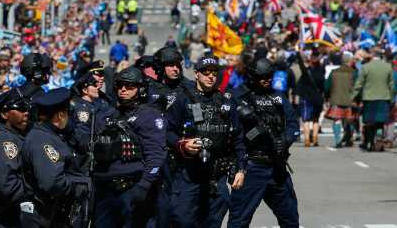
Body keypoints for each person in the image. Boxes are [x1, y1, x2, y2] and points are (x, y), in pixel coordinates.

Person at [166, 56, 247, 228]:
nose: (210, 76)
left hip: (217, 175)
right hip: (189, 174)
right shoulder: (183, 99)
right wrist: (183, 144)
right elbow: (167, 131)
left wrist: (241, 169)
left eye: (214, 73)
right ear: (196, 74)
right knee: (182, 220)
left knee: (212, 222)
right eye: (205, 72)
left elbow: (238, 138)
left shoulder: (226, 101)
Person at [228, 58, 300, 227]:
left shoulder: (278, 97)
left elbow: (293, 124)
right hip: (251, 166)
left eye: (270, 76)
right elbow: (231, 131)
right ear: (252, 76)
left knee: (290, 218)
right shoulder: (237, 97)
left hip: (277, 165)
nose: (267, 79)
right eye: (263, 76)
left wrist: (286, 140)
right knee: (239, 220)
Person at [93, 67, 166, 227]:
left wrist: (143, 186)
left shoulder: (148, 116)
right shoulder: (107, 115)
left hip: (131, 189)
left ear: (140, 89)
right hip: (104, 191)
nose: (123, 90)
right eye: (120, 86)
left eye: (129, 86)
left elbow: (156, 156)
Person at [20, 88, 90, 227]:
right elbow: (52, 182)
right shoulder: (42, 140)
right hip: (49, 215)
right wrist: (76, 187)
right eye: (68, 114)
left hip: (58, 213)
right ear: (60, 115)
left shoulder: (51, 134)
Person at [0, 88, 30, 228]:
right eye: (20, 108)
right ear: (4, 114)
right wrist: (33, 195)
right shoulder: (5, 142)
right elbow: (6, 184)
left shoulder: (17, 136)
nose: (26, 112)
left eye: (26, 107)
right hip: (11, 214)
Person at [352, 48, 394, 151]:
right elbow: (391, 86)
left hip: (369, 98)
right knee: (380, 121)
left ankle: (370, 142)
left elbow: (359, 84)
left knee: (369, 122)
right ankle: (379, 138)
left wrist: (353, 97)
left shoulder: (366, 67)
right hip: (384, 98)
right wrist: (391, 99)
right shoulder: (388, 67)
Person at [325, 53, 356, 148]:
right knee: (350, 120)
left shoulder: (334, 72)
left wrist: (327, 97)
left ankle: (338, 141)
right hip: (350, 100)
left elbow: (327, 86)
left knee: (337, 120)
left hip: (336, 100)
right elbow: (357, 87)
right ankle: (349, 139)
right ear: (349, 62)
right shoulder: (354, 73)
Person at [19, 53, 51, 120]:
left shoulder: (17, 90)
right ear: (37, 74)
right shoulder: (39, 95)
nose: (48, 74)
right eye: (45, 71)